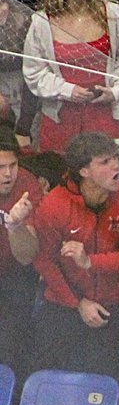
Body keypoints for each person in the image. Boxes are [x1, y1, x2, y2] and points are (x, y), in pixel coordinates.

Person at [31, 132, 119, 381]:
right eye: (105, 162)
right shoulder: (55, 205)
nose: (116, 166)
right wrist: (77, 303)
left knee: (107, 382)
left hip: (113, 305)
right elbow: (44, 259)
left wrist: (90, 262)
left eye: (116, 158)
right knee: (55, 380)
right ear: (84, 171)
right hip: (64, 304)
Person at [23, 0, 119, 150]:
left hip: (104, 115)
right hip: (60, 120)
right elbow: (34, 72)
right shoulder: (41, 22)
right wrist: (68, 91)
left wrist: (114, 92)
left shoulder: (114, 14)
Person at [0, 132, 42, 377]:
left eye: (12, 165)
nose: (8, 174)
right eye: (1, 167)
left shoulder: (27, 186)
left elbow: (27, 256)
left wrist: (14, 225)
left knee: (10, 343)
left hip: (15, 273)